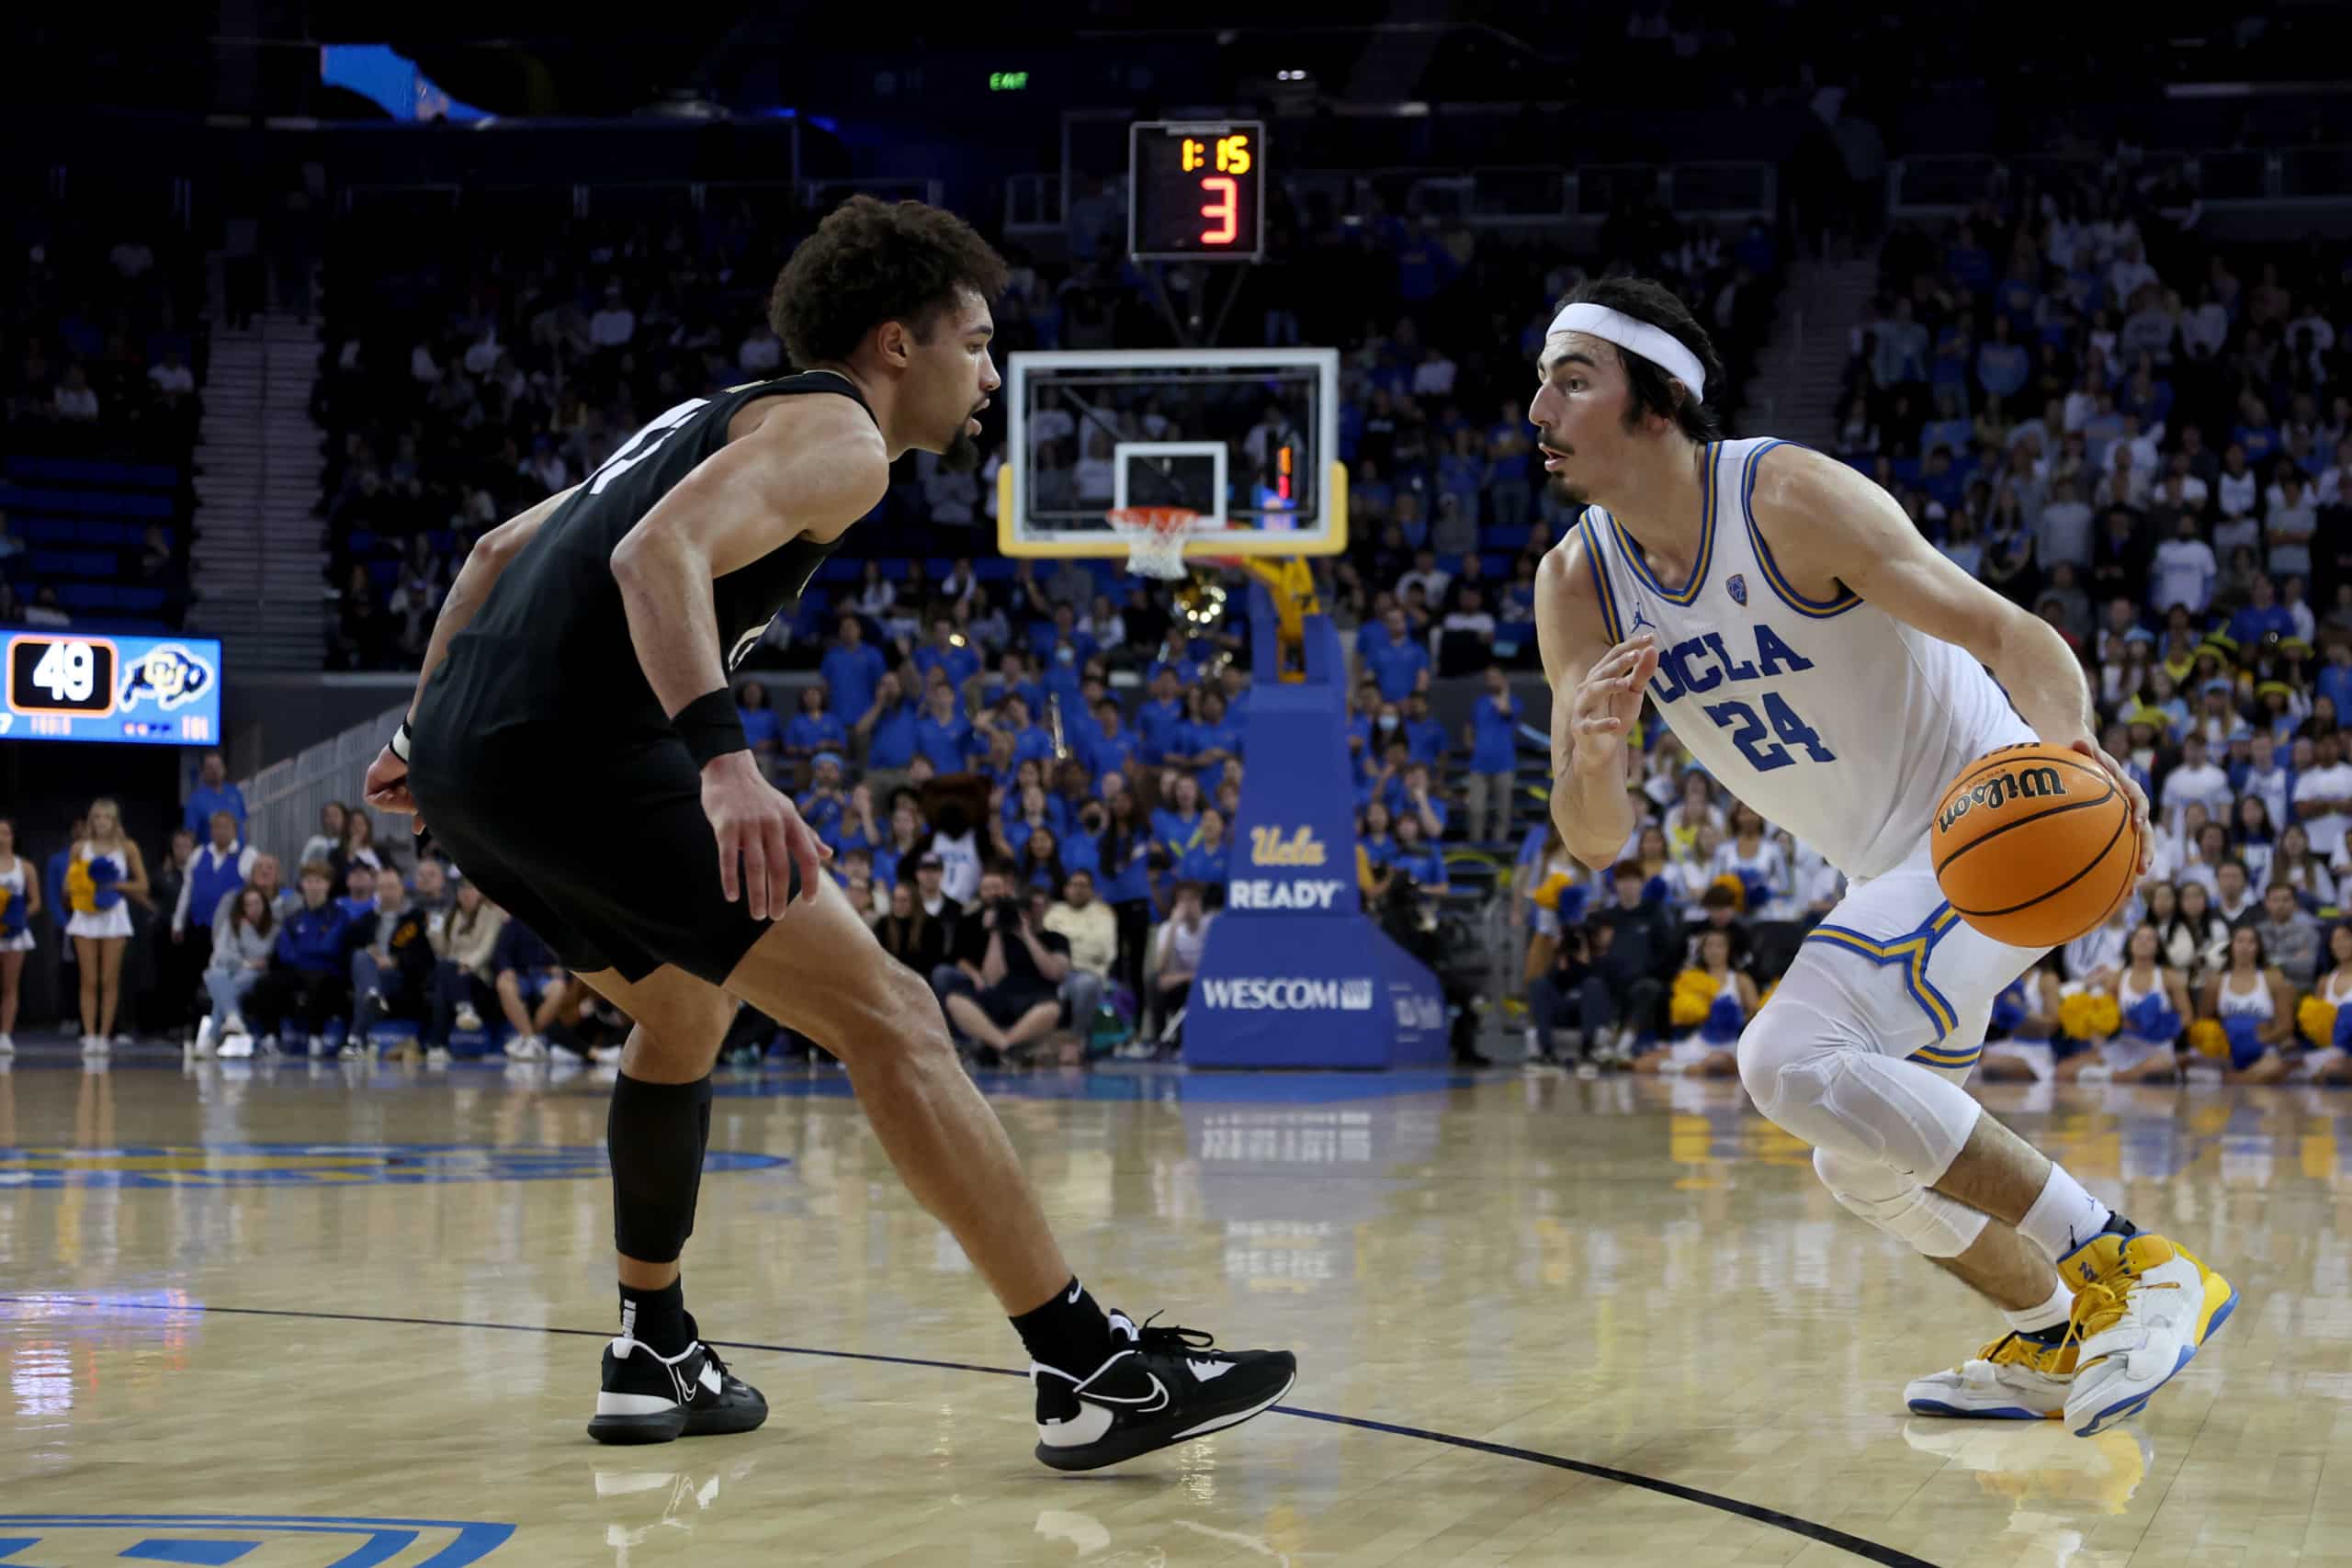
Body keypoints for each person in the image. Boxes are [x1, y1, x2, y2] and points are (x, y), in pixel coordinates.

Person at [365, 195, 1292, 1463]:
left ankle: (651, 1344)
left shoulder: (711, 418)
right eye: (975, 342)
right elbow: (655, 558)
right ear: (896, 344)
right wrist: (727, 764)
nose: (991, 373)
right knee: (893, 1012)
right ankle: (1088, 1366)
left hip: (480, 763)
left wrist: (424, 739)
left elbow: (489, 554)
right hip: (588, 756)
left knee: (683, 1011)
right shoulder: (844, 439)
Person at [1532, 275, 2230, 1438]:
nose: (1538, 410)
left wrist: (2072, 768)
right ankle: (2062, 1332)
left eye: (1571, 381)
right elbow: (1593, 841)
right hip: (1894, 878)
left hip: (1990, 833)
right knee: (1859, 1159)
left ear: (1654, 405)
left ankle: (2137, 1269)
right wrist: (1593, 758)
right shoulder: (1575, 583)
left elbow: (2014, 633)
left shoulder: (1787, 498)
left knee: (1785, 1056)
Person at [65, 796, 150, 1055]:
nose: (101, 822)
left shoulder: (128, 848)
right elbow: (68, 885)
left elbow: (142, 885)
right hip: (86, 915)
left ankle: (105, 1036)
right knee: (88, 979)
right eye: (97, 817)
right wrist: (84, 886)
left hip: (114, 915)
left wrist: (115, 885)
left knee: (109, 978)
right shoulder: (80, 848)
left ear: (115, 821)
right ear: (91, 821)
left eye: (107, 817)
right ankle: (89, 1035)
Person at [197, 886, 276, 1057]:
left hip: (255, 976)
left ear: (264, 905)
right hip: (231, 971)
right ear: (241, 908)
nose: (253, 909)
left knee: (221, 980)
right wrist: (245, 962)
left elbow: (262, 953)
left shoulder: (272, 927)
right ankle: (232, 1019)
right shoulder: (232, 924)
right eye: (248, 905)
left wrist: (245, 936)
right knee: (217, 974)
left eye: (256, 903)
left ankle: (213, 1037)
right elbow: (221, 955)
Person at [0, 817, 39, 1056]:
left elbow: (36, 902)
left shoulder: (25, 867)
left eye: (5, 832)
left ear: (13, 837)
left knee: (9, 985)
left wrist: (17, 915)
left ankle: (5, 1035)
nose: (1, 836)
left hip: (14, 933)